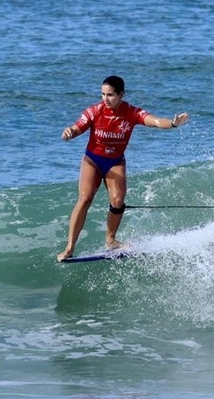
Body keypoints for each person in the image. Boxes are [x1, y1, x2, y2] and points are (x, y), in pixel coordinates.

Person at [57, 75, 189, 262]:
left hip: (115, 161)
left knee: (118, 201)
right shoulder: (95, 111)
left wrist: (173, 123)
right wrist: (70, 132)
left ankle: (110, 240)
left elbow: (156, 121)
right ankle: (70, 247)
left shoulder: (131, 112)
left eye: (110, 95)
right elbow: (78, 127)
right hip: (93, 161)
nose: (105, 99)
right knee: (85, 198)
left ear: (121, 94)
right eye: (103, 94)